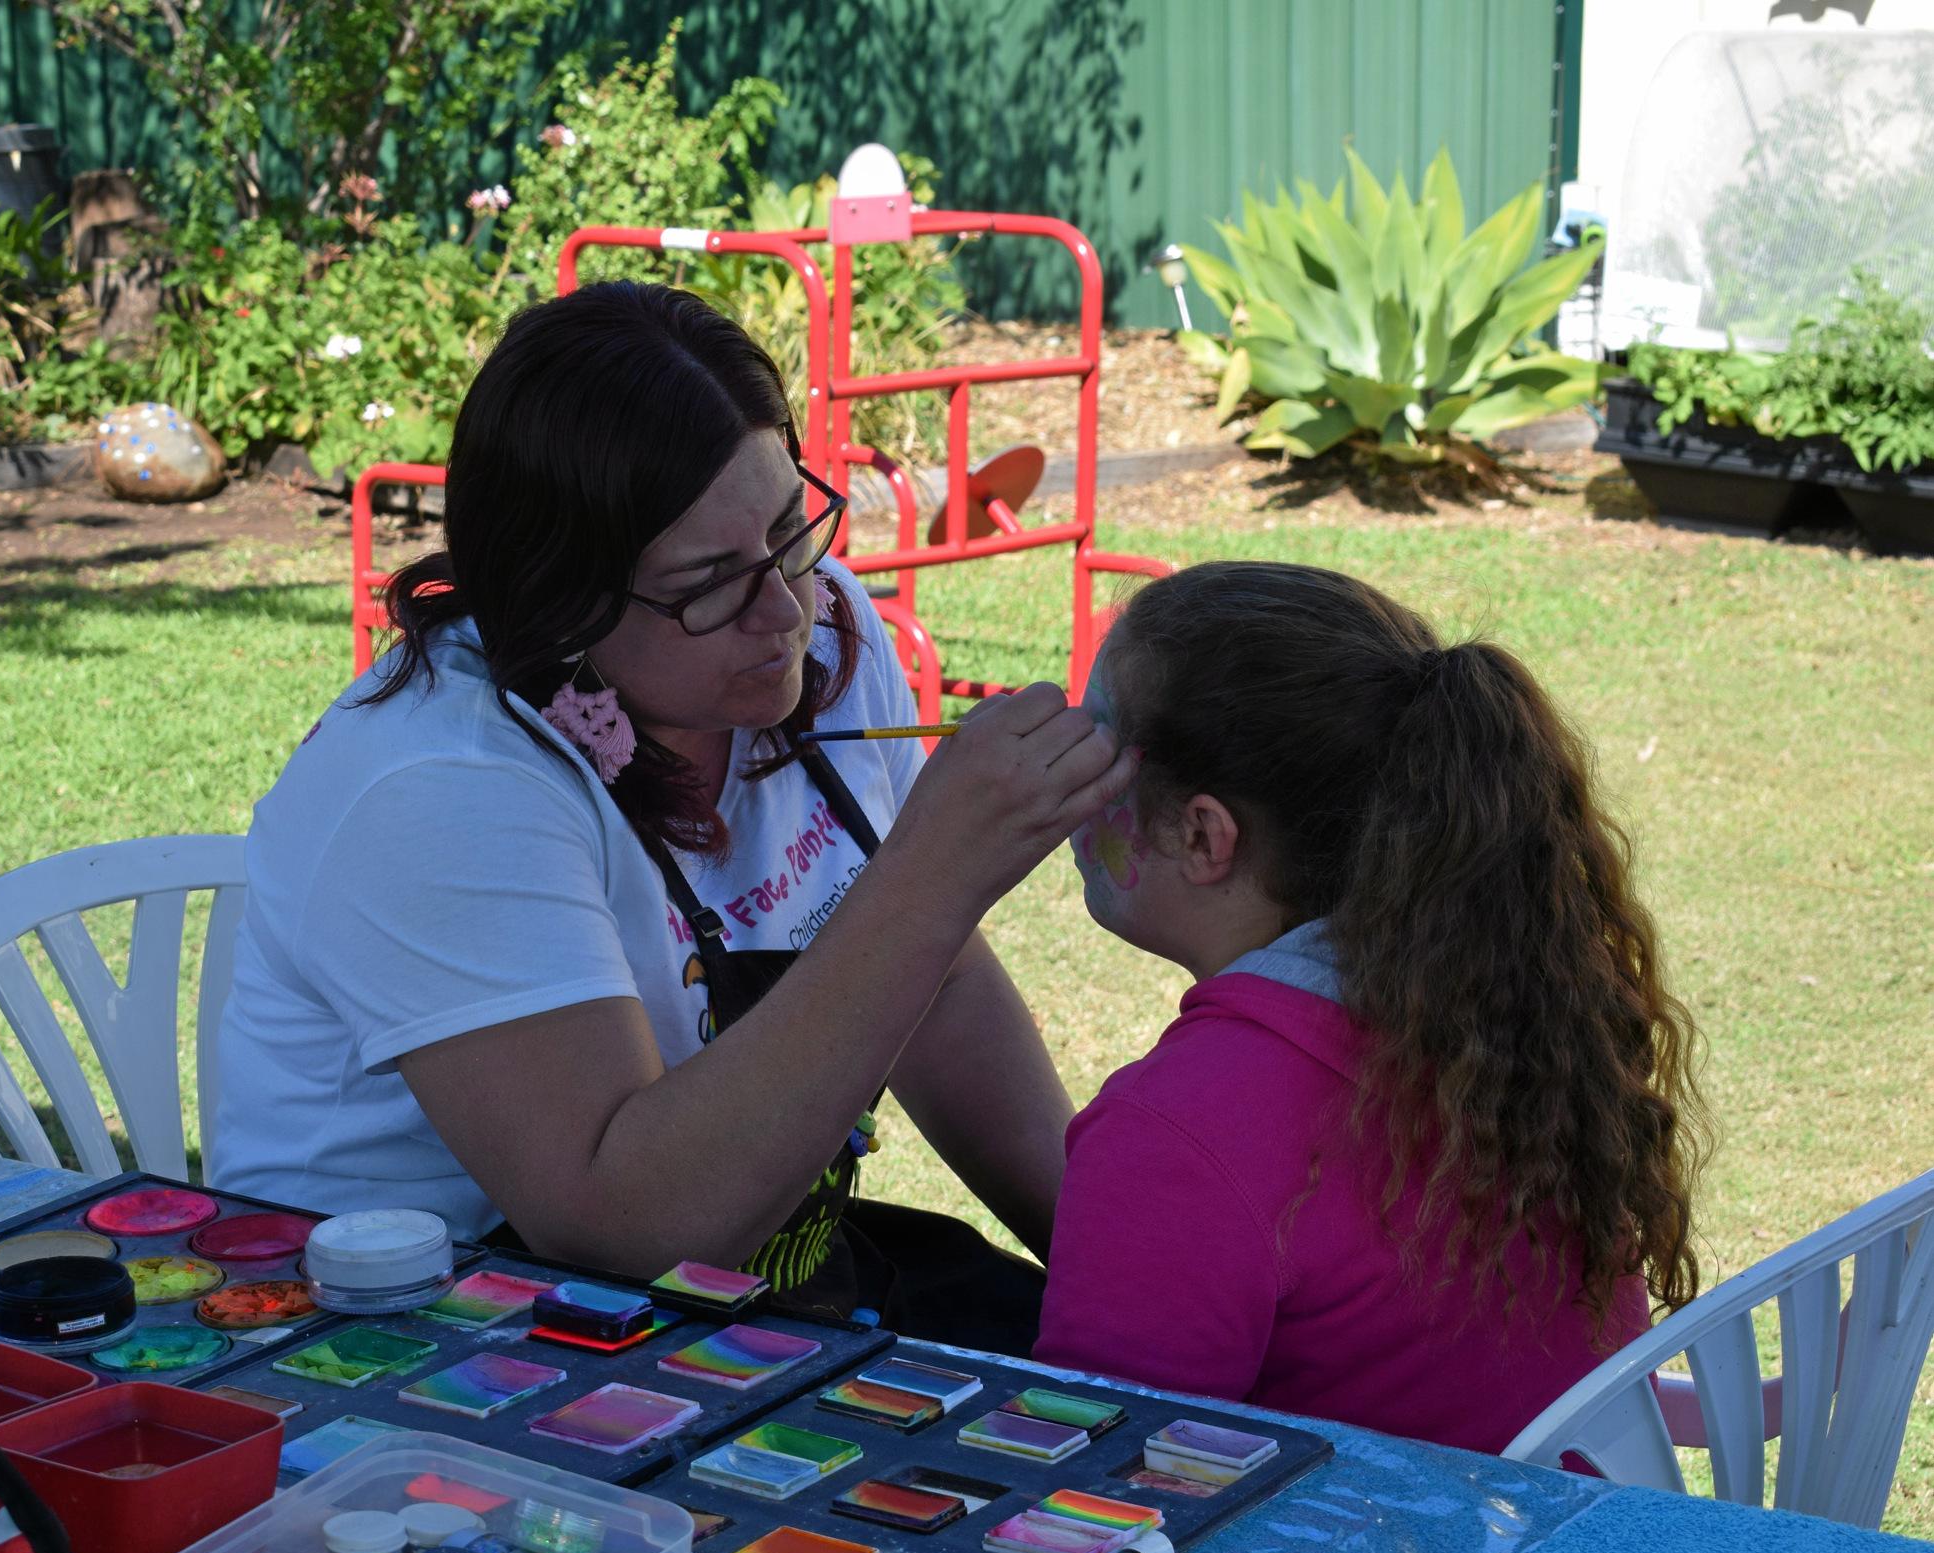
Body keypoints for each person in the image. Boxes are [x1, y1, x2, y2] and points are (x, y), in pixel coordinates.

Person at [212, 283, 1137, 1349]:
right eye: (708, 583)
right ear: (560, 598)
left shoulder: (818, 634)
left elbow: (935, 991)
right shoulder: (442, 782)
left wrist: (1113, 1267)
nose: (788, 609)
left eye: (791, 529)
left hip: (751, 1276)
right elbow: (614, 1226)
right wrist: (931, 876)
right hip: (425, 1335)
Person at [1038, 561, 1708, 1452]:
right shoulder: (1504, 1019)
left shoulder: (1174, 1132)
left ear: (1202, 834)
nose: (1067, 773)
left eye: (1096, 744)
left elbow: (1084, 1490)